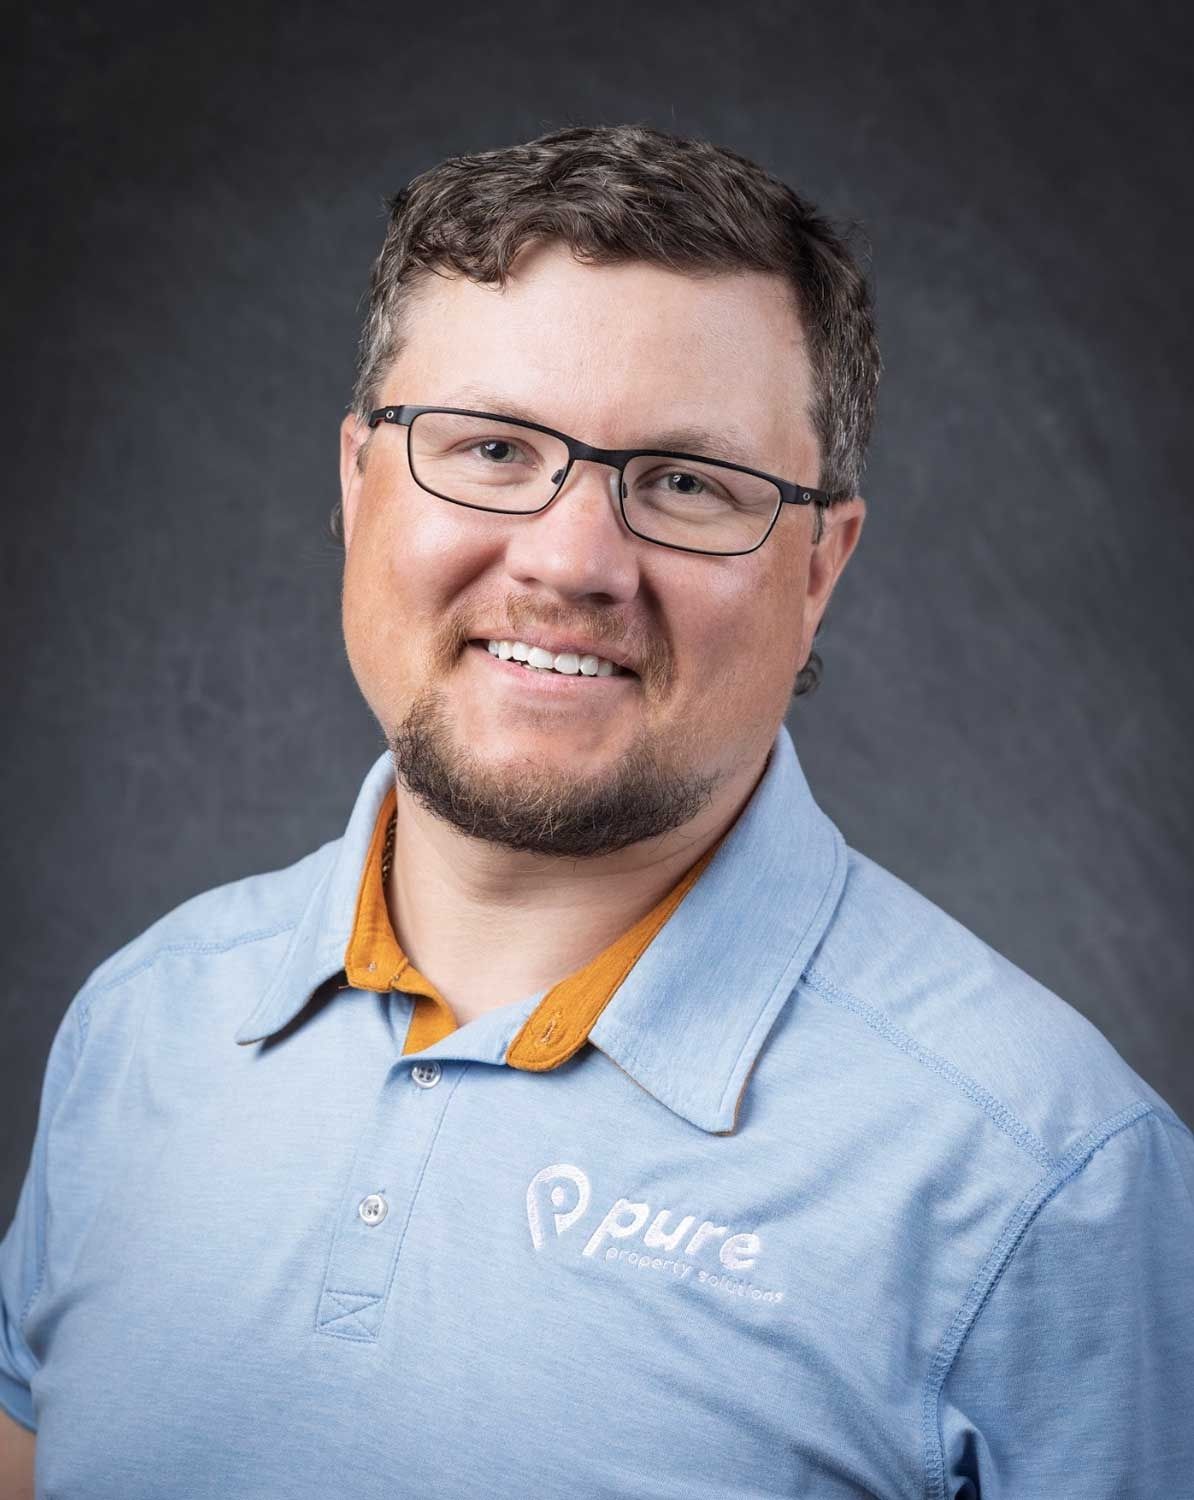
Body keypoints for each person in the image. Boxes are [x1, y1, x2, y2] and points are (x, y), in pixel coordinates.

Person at [1, 122, 1190, 1500]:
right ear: (353, 482)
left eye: (684, 482)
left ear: (817, 565)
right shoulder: (145, 1022)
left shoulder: (1048, 1188)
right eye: (493, 446)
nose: (571, 562)